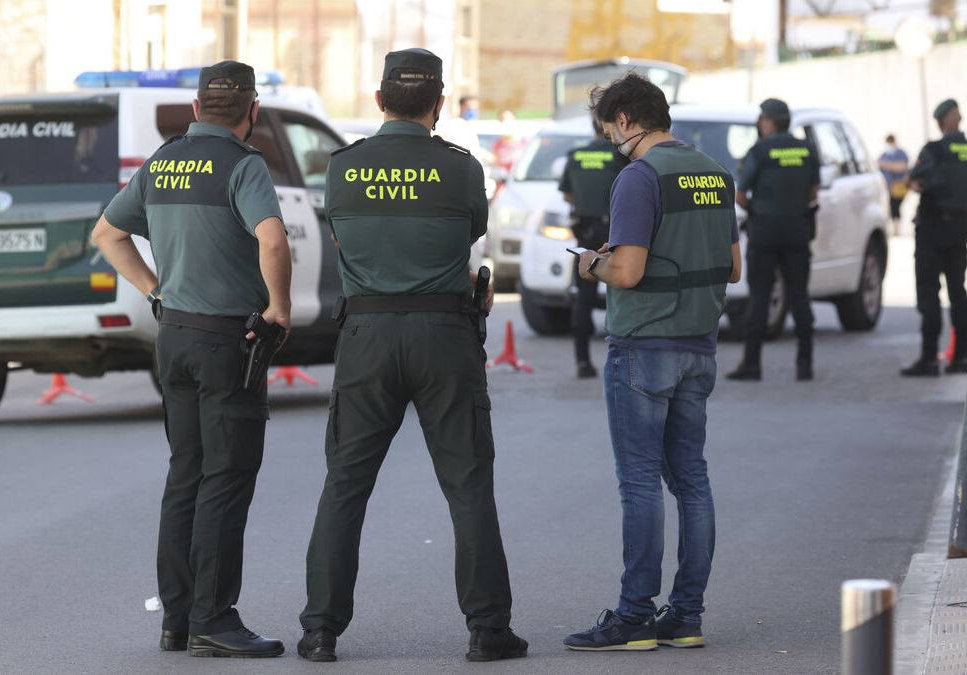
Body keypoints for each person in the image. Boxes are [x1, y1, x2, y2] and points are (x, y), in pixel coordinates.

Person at [297, 48, 526, 664]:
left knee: (345, 486)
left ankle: (320, 630)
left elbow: (343, 234)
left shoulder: (343, 167)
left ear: (378, 102)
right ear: (439, 104)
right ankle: (488, 630)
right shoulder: (461, 167)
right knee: (468, 485)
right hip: (444, 336)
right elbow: (469, 231)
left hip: (366, 338)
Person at [92, 60, 291, 658]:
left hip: (174, 335)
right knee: (227, 477)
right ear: (252, 113)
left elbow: (107, 235)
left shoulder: (163, 162)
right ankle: (214, 618)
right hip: (227, 342)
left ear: (198, 109)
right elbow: (274, 239)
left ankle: (177, 619)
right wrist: (279, 307)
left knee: (186, 473)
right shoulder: (243, 164)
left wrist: (155, 290)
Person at [566, 73, 741, 652]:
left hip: (644, 344)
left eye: (607, 128)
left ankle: (634, 616)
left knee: (639, 481)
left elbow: (629, 270)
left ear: (623, 121)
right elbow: (733, 268)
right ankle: (685, 615)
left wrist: (591, 262)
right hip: (699, 344)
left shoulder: (638, 177)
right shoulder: (716, 173)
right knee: (691, 479)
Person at [726, 98, 820, 382]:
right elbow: (814, 193)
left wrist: (758, 212)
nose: (758, 124)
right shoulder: (807, 149)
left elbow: (740, 195)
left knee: (760, 298)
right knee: (800, 297)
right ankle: (805, 365)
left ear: (769, 121)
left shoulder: (760, 151)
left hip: (765, 233)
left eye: (761, 119)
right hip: (797, 232)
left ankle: (752, 365)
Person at [900, 99, 967, 376]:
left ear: (941, 123)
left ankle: (929, 359)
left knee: (929, 295)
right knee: (958, 294)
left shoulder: (934, 150)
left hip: (932, 229)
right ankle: (961, 357)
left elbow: (913, 179)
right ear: (959, 119)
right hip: (960, 230)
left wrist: (917, 184)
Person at [558, 116, 623, 378]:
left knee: (584, 299)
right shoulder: (620, 156)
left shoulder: (577, 155)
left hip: (586, 231)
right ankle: (620, 360)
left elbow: (566, 194)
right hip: (616, 232)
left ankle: (583, 362)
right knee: (620, 296)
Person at [878, 134, 910, 235]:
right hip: (890, 186)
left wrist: (889, 165)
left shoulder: (901, 153)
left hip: (900, 186)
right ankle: (895, 229)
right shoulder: (885, 154)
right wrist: (891, 166)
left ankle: (897, 229)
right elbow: (879, 165)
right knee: (893, 207)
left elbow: (903, 166)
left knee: (896, 206)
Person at [490, 109, 526, 175]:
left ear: (515, 120)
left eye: (508, 119)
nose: (505, 122)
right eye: (502, 120)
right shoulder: (497, 145)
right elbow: (496, 165)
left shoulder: (525, 143)